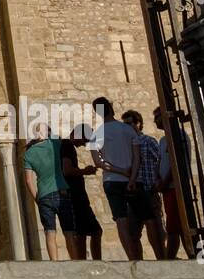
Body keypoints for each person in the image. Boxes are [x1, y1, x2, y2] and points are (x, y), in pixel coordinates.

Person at [87, 96, 144, 260]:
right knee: (142, 219)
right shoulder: (129, 130)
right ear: (111, 109)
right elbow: (137, 158)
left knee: (121, 220)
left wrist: (119, 171)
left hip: (112, 180)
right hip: (133, 181)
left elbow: (99, 163)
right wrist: (131, 178)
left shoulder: (96, 134)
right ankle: (147, 256)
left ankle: (132, 258)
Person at [21, 124, 75, 260]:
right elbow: (65, 140)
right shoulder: (55, 144)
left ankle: (54, 264)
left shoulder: (28, 154)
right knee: (69, 232)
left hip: (44, 196)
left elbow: (28, 181)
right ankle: (75, 261)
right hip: (61, 191)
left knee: (49, 233)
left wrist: (37, 199)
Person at [121, 109, 166, 260]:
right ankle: (138, 264)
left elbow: (159, 161)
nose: (127, 127)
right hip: (134, 193)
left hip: (149, 189)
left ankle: (162, 260)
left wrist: (157, 182)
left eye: (129, 123)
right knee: (133, 231)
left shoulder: (149, 141)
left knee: (156, 230)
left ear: (138, 123)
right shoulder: (127, 146)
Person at [62, 123, 103, 260]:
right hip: (74, 197)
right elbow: (67, 170)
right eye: (85, 140)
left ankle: (87, 262)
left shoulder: (66, 146)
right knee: (89, 232)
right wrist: (86, 171)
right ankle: (88, 262)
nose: (84, 144)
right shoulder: (67, 146)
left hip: (76, 196)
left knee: (87, 232)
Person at [154, 106, 189, 259]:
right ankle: (174, 257)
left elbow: (177, 162)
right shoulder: (163, 140)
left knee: (178, 226)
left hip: (177, 187)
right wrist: (158, 179)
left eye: (157, 117)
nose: (155, 121)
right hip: (167, 188)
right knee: (175, 225)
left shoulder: (177, 135)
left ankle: (175, 257)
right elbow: (160, 162)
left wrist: (165, 181)